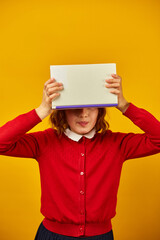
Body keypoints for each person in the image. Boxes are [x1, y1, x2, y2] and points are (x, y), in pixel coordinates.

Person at [0, 74, 160, 240]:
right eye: (76, 108)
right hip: (53, 235)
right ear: (62, 112)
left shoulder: (117, 144)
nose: (83, 114)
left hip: (101, 236)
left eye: (91, 107)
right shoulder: (45, 142)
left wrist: (124, 105)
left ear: (100, 111)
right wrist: (42, 110)